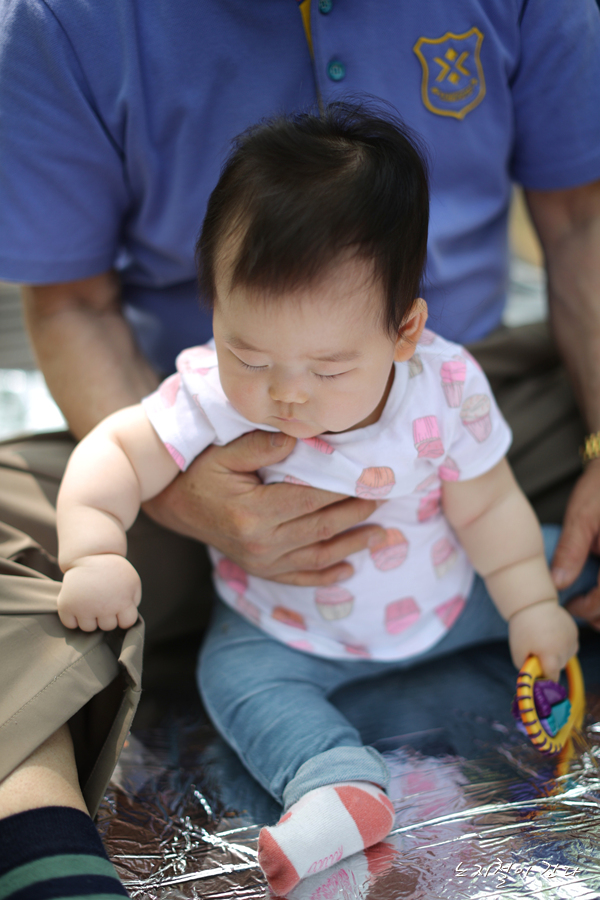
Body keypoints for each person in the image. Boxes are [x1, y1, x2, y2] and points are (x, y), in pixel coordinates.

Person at [0, 0, 599, 895]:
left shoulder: (445, 386)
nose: (286, 394)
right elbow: (105, 413)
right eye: (251, 356)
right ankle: (320, 789)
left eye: (326, 369)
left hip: (458, 555)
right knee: (230, 672)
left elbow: (490, 508)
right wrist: (113, 539)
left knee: (542, 562)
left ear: (406, 331)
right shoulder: (214, 391)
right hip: (270, 602)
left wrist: (532, 599)